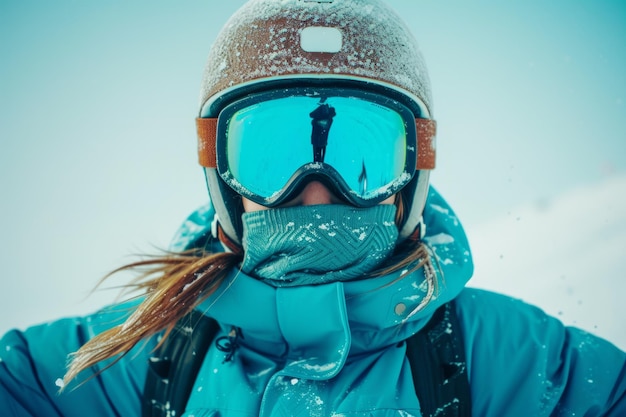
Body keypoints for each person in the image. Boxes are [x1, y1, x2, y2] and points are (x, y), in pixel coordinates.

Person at [1, 0, 625, 416]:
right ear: (219, 171)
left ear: (413, 172)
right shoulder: (153, 350)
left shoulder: (491, 356)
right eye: (270, 158)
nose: (317, 189)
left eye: (362, 160)